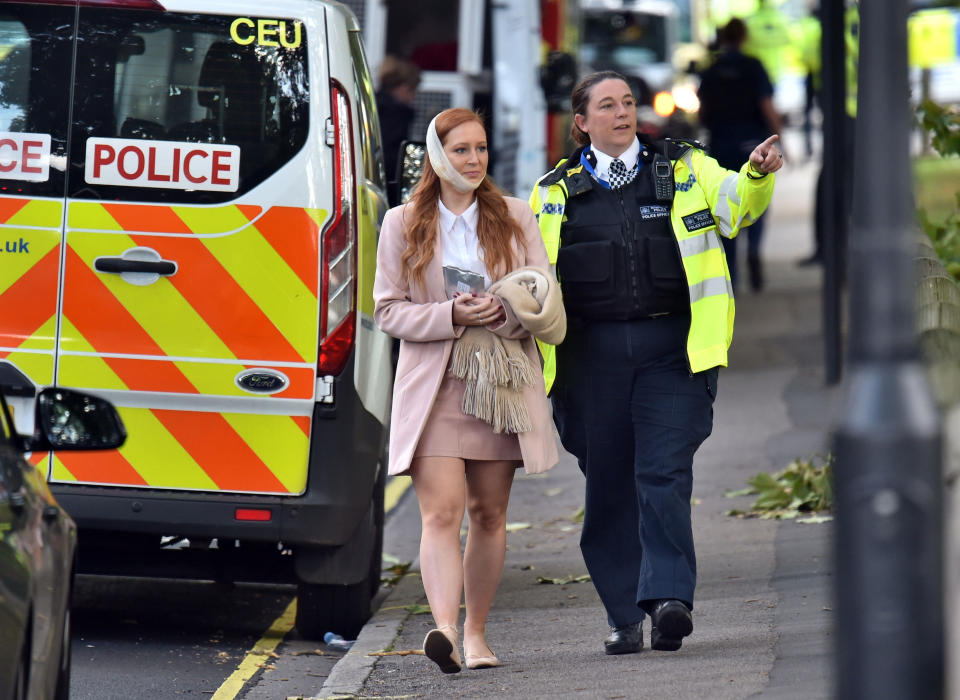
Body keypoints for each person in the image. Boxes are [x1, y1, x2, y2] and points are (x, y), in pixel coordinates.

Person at [529, 71, 781, 655]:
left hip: (674, 351)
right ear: (582, 123)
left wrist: (757, 174)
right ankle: (624, 615)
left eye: (628, 103)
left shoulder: (687, 167)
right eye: (607, 106)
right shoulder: (554, 191)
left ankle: (669, 600)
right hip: (588, 362)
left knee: (664, 473)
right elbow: (531, 272)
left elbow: (736, 205)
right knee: (611, 486)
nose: (622, 113)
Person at [374, 108, 563, 673]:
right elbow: (387, 311)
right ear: (438, 155)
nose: (475, 160)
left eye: (480, 149)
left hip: (500, 383)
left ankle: (478, 634)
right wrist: (451, 313)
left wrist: (504, 312)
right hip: (436, 386)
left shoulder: (514, 215)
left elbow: (542, 293)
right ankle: (446, 632)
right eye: (461, 150)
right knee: (441, 513)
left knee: (488, 513)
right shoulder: (402, 222)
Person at [698, 18, 783, 292]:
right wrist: (781, 136)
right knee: (756, 195)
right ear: (744, 37)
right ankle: (755, 248)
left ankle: (731, 272)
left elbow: (702, 110)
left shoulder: (712, 70)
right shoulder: (753, 66)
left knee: (726, 202)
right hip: (752, 144)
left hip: (721, 144)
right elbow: (766, 104)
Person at [375, 55, 421, 184]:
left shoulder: (370, 105)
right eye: (414, 91)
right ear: (404, 88)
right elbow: (393, 157)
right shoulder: (397, 114)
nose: (414, 97)